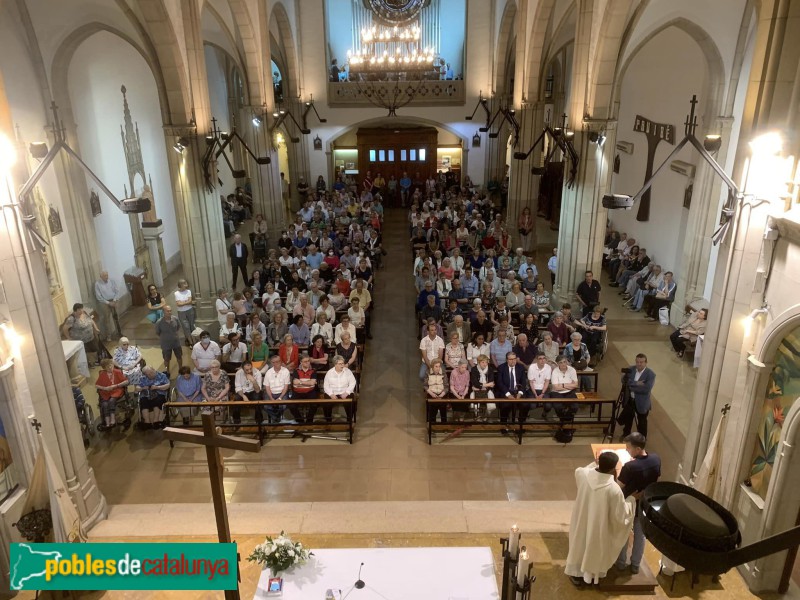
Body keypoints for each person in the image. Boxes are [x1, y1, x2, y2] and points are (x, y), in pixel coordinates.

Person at [565, 452, 635, 586]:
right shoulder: (614, 489)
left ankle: (577, 574)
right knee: (594, 549)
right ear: (612, 468)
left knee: (580, 546)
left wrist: (595, 464)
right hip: (598, 527)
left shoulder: (584, 475)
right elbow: (620, 515)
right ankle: (591, 576)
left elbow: (579, 470)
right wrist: (631, 501)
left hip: (582, 520)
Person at [614, 433, 662, 575]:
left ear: (638, 449)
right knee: (640, 534)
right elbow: (657, 479)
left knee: (624, 533)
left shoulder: (630, 467)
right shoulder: (656, 459)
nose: (627, 450)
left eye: (628, 448)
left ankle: (621, 563)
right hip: (645, 503)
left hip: (629, 504)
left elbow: (619, 486)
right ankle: (635, 564)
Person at [620, 354, 656, 438]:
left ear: (646, 363)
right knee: (628, 419)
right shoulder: (631, 369)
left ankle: (641, 439)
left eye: (641, 362)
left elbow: (646, 389)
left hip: (642, 402)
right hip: (630, 400)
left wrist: (631, 388)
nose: (639, 364)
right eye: (637, 362)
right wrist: (636, 383)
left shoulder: (650, 374)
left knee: (642, 422)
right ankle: (626, 435)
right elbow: (623, 380)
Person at [496, 351, 530, 424]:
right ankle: (504, 425)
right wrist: (508, 394)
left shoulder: (520, 367)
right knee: (505, 405)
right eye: (511, 359)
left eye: (514, 359)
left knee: (526, 405)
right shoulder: (501, 368)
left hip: (518, 391)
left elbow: (523, 382)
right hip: (506, 391)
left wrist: (520, 393)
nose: (513, 361)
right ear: (507, 360)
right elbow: (500, 383)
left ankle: (521, 424)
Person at [322, 354, 357, 422]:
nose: (342, 365)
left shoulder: (348, 372)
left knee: (351, 403)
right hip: (333, 393)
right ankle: (329, 421)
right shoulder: (329, 373)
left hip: (345, 392)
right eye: (340, 364)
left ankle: (349, 421)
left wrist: (346, 392)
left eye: (343, 363)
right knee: (326, 404)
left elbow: (353, 382)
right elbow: (326, 386)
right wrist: (331, 394)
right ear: (335, 364)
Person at [95, 358, 128, 431]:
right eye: (107, 367)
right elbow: (97, 385)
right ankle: (107, 423)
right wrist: (104, 388)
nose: (110, 367)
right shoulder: (103, 374)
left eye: (111, 365)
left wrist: (116, 385)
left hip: (117, 390)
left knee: (111, 401)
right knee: (105, 404)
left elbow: (126, 381)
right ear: (104, 368)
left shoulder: (117, 372)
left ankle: (112, 419)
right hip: (106, 392)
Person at [547, 355, 579, 421]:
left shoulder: (572, 370)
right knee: (558, 407)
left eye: (564, 362)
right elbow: (556, 388)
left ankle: (563, 423)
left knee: (575, 407)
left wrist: (563, 385)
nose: (563, 364)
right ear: (558, 364)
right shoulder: (555, 371)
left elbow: (576, 385)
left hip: (570, 392)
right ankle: (566, 425)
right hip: (556, 393)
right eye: (561, 362)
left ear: (567, 362)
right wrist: (569, 385)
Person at [262, 354, 291, 423]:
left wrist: (280, 398)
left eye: (279, 361)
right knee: (266, 406)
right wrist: (271, 398)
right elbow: (267, 387)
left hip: (282, 393)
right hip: (270, 393)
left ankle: (275, 418)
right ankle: (276, 418)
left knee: (283, 406)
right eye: (276, 362)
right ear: (272, 363)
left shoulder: (286, 371)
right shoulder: (268, 372)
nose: (278, 363)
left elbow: (286, 387)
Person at [232, 360, 263, 425]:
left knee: (258, 398)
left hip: (253, 391)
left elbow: (258, 390)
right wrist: (243, 396)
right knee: (236, 398)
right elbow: (238, 387)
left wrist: (253, 381)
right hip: (243, 392)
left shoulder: (257, 373)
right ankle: (236, 421)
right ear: (243, 369)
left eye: (250, 369)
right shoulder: (238, 373)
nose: (249, 371)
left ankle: (259, 421)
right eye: (247, 370)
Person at [154, 306, 182, 374]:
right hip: (165, 344)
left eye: (170, 310)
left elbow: (178, 327)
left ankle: (181, 369)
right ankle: (167, 371)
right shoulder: (159, 322)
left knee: (179, 356)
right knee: (166, 359)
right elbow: (157, 332)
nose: (169, 312)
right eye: (167, 311)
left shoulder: (175, 319)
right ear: (163, 312)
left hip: (176, 342)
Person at [94, 270, 121, 341]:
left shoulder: (112, 281)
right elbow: (98, 296)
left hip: (114, 300)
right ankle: (109, 336)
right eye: (104, 276)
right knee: (107, 320)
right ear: (101, 277)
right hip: (105, 303)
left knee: (116, 317)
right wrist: (108, 303)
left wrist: (114, 300)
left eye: (107, 275)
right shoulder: (97, 284)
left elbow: (117, 291)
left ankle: (119, 333)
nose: (106, 277)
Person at [425, 359, 449, 423]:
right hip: (432, 395)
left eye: (439, 366)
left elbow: (446, 386)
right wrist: (431, 394)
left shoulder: (443, 373)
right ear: (432, 366)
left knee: (443, 413)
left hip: (442, 395)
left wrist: (442, 394)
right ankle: (432, 428)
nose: (438, 368)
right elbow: (425, 386)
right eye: (436, 366)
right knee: (432, 414)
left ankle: (444, 428)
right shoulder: (428, 372)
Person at [174, 279, 196, 345]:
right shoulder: (176, 293)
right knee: (186, 326)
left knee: (191, 325)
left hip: (190, 310)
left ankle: (194, 339)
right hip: (181, 312)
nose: (186, 284)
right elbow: (178, 304)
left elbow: (189, 301)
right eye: (184, 283)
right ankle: (190, 341)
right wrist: (188, 302)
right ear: (180, 285)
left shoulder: (188, 291)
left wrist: (183, 302)